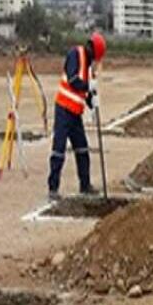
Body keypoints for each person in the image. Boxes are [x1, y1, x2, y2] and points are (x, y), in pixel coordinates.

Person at [47, 32, 106, 200]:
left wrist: (91, 102)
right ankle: (53, 187)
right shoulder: (75, 54)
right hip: (64, 110)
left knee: (82, 149)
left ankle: (85, 185)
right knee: (59, 149)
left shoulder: (87, 67)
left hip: (75, 114)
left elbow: (83, 91)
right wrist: (89, 86)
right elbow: (73, 81)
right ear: (91, 49)